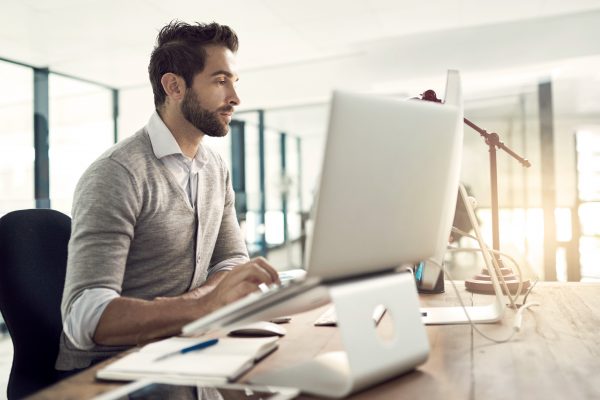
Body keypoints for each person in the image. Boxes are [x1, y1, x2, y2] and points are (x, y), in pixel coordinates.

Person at [55, 21, 280, 372]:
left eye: (234, 82)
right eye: (221, 81)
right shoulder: (116, 174)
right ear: (174, 86)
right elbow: (86, 318)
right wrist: (204, 306)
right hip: (111, 373)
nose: (235, 98)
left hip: (185, 352)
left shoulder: (214, 168)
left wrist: (207, 302)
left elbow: (232, 261)